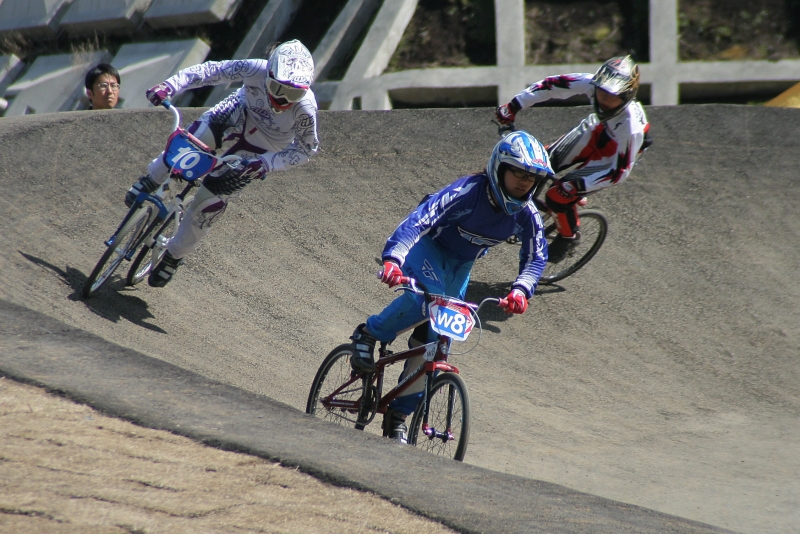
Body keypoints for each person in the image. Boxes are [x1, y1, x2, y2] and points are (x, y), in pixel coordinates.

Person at [348, 130, 552, 444]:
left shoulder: (528, 214)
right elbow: (419, 219)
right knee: (422, 302)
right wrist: (393, 259)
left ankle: (399, 415)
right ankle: (370, 333)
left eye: (532, 177)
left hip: (461, 264)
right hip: (429, 248)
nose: (525, 182)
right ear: (499, 168)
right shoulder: (467, 191)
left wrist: (521, 290)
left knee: (439, 338)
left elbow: (536, 257)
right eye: (518, 172)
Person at [125, 40, 319, 287]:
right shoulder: (254, 69)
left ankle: (173, 257)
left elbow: (306, 149)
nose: (283, 100)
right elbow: (210, 71)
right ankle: (153, 177)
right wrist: (170, 85)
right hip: (236, 113)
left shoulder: (306, 110)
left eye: (294, 94)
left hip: (265, 147)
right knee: (190, 144)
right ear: (268, 72)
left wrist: (266, 164)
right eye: (277, 88)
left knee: (209, 204)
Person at [495, 55, 652, 263]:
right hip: (596, 130)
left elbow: (619, 172)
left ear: (626, 97)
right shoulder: (593, 83)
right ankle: (523, 208)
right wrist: (514, 105)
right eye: (601, 92)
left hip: (614, 158)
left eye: (611, 97)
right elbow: (551, 85)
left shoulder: (631, 129)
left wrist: (578, 185)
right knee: (538, 162)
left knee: (557, 196)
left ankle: (568, 237)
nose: (603, 100)